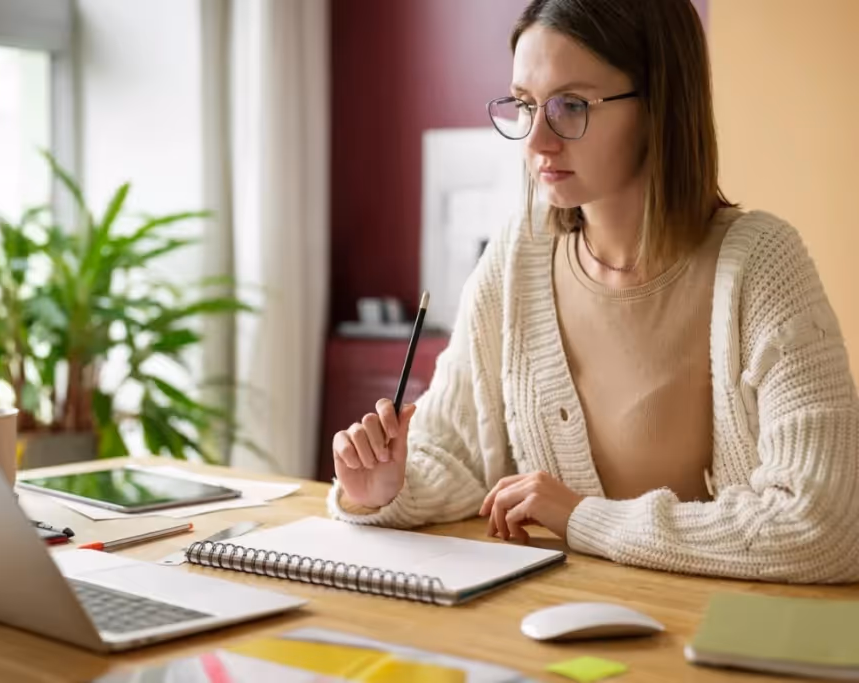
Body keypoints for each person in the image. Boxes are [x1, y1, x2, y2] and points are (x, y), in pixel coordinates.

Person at [327, 0, 859, 584]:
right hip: (556, 634)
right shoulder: (516, 255)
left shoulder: (763, 265)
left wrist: (584, 518)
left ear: (659, 104)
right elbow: (451, 453)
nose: (537, 141)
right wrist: (387, 487)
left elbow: (822, 528)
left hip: (713, 642)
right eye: (525, 105)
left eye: (571, 106)